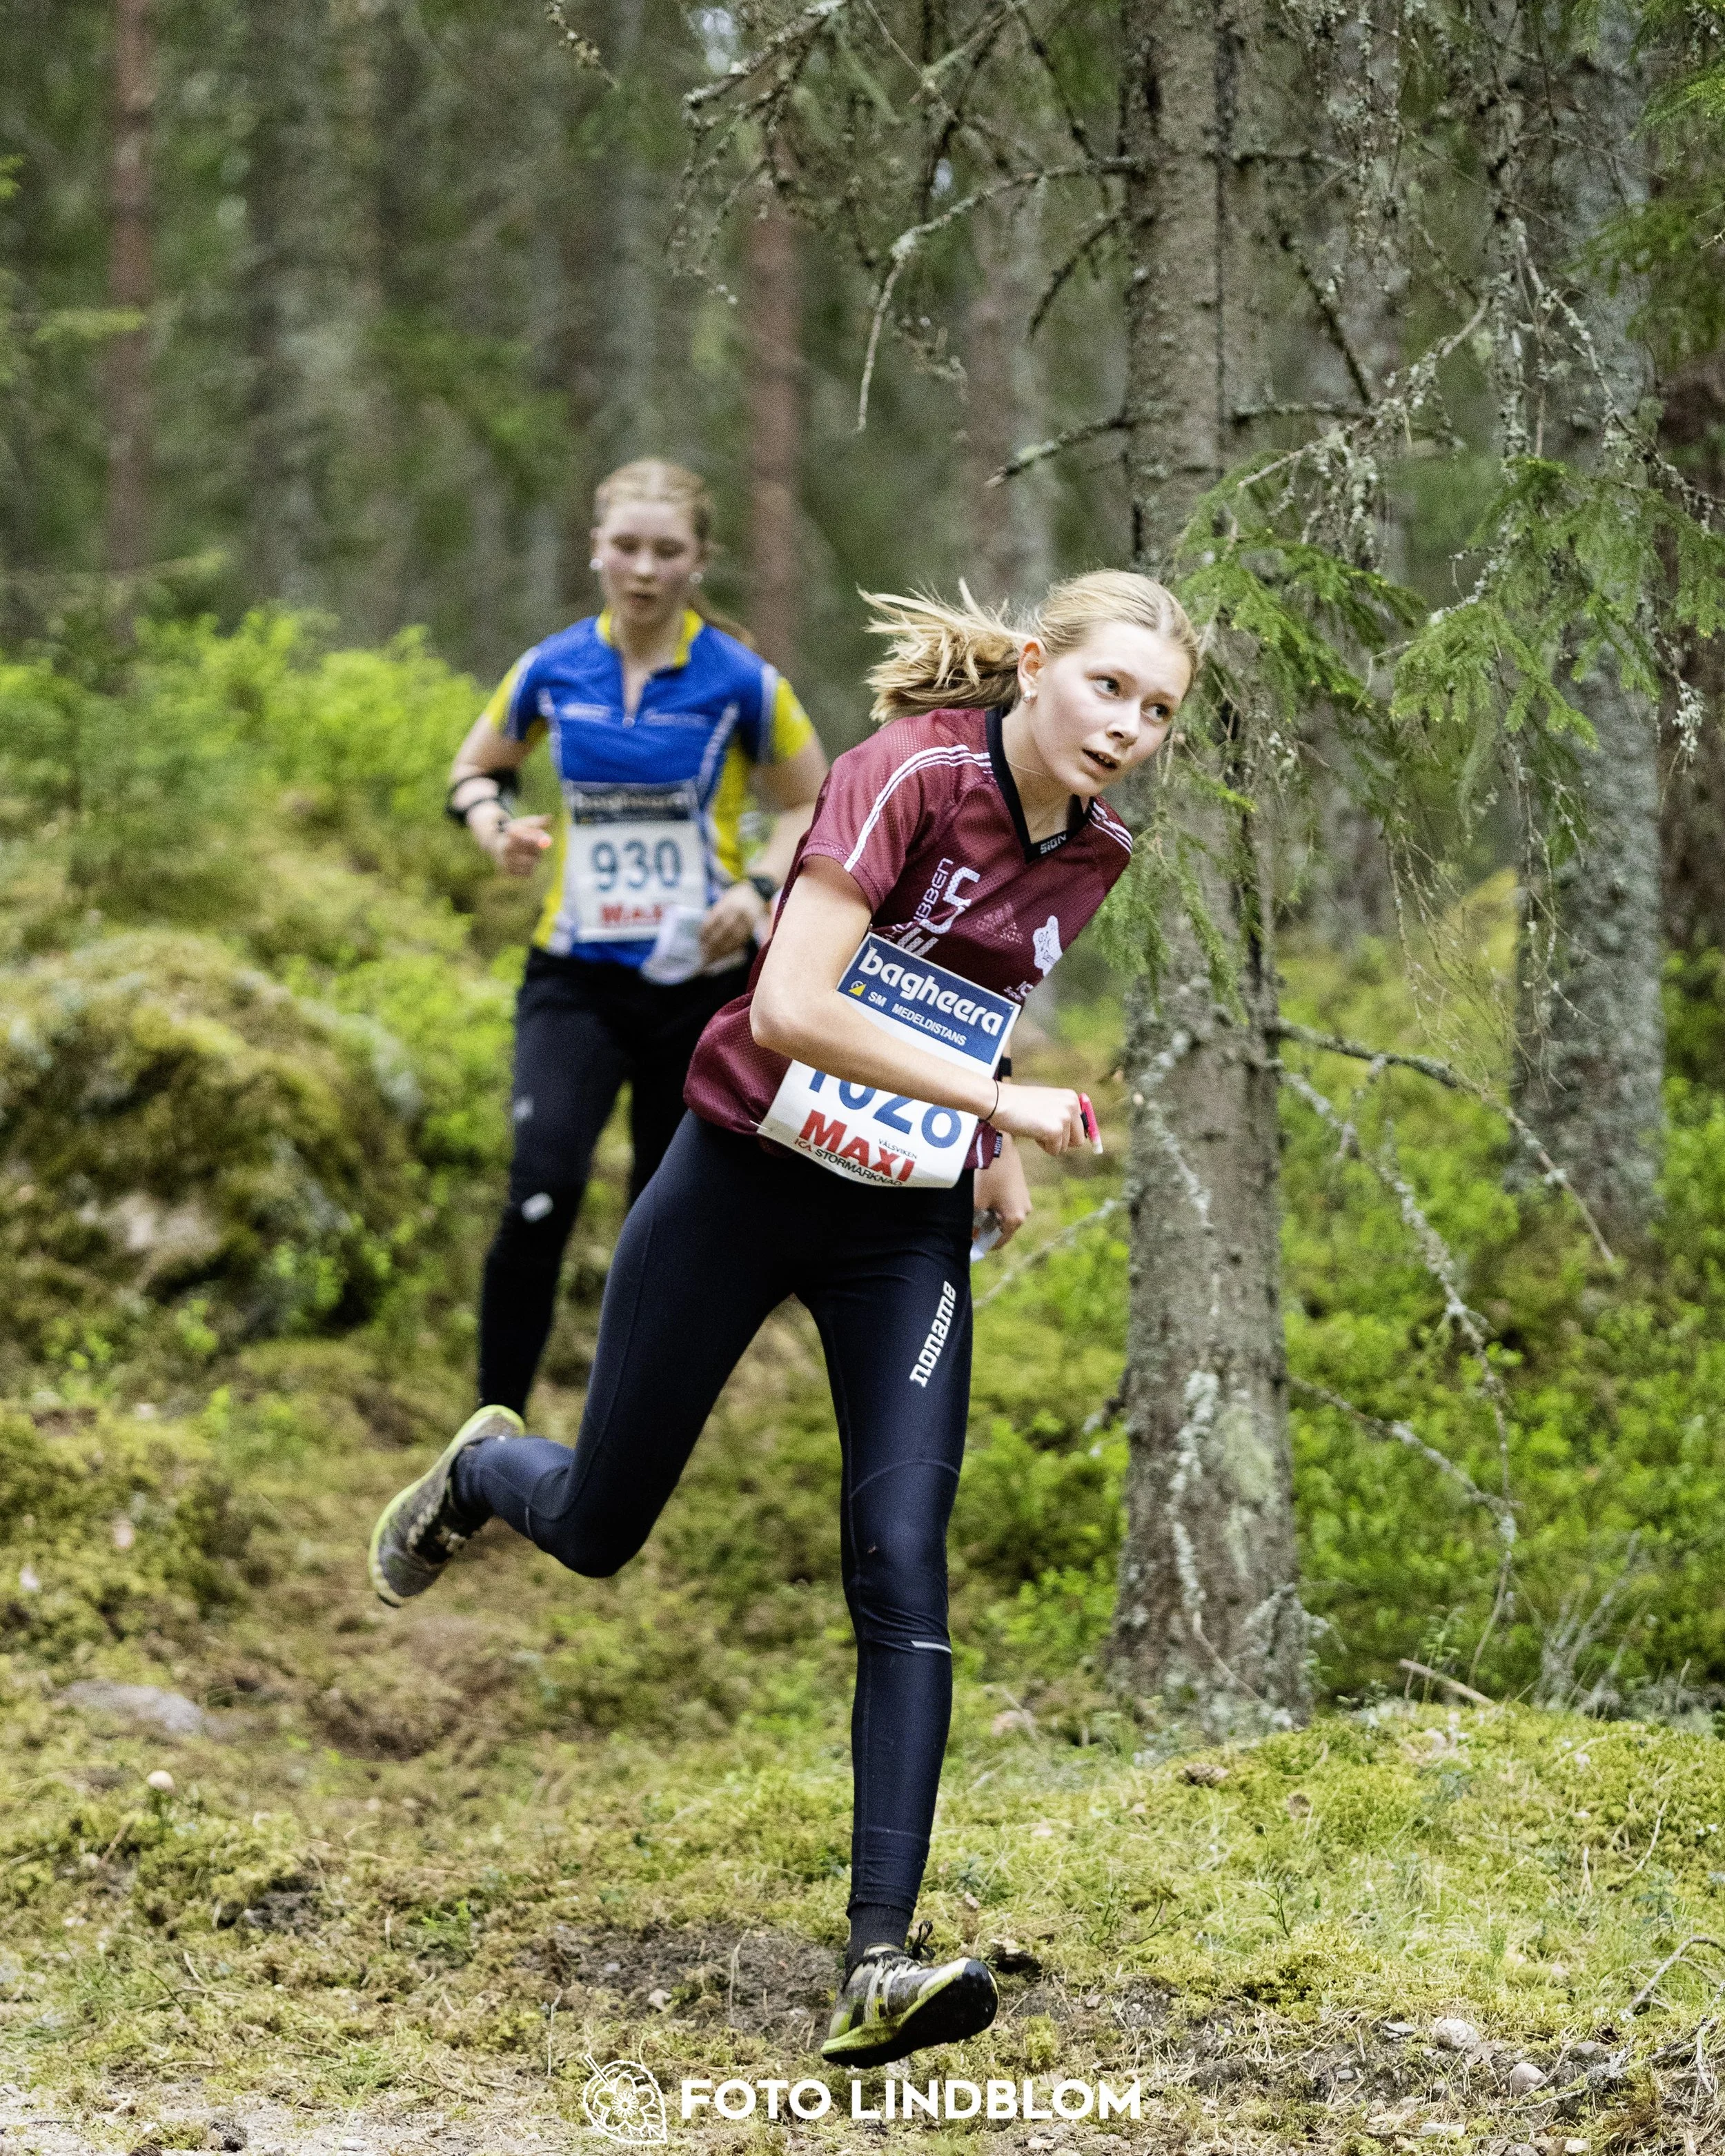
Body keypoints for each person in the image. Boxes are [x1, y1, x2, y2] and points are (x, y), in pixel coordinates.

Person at [376, 570, 1199, 2065]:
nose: (1127, 727)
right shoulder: (904, 774)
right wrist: (998, 1100)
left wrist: (987, 1143)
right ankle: (486, 1468)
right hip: (741, 1179)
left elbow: (971, 987)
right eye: (1107, 689)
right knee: (601, 1523)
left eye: (1155, 710)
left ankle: (875, 1958)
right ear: (1034, 667)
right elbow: (792, 1008)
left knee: (899, 1557)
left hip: (900, 1227)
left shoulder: (1098, 851)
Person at [445, 458, 828, 1416]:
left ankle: (622, 1438)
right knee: (540, 1191)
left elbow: (813, 803)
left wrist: (759, 887)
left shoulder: (743, 681)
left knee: (659, 1227)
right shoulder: (551, 666)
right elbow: (473, 772)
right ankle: (489, 1433)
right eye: (626, 547)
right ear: (595, 550)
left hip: (699, 985)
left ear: (700, 560)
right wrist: (497, 827)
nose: (645, 569)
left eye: (667, 551)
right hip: (575, 977)